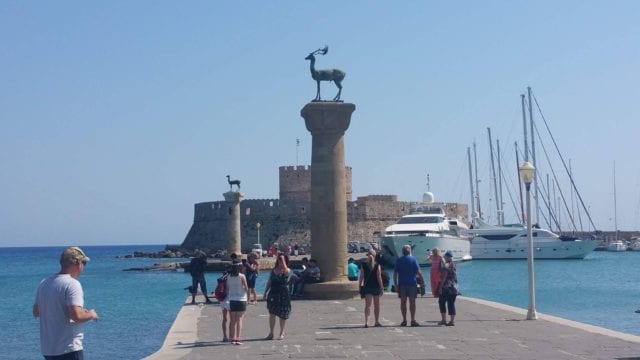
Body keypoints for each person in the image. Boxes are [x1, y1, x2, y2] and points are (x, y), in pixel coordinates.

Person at [33, 246, 99, 360]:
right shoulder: (72, 284)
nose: (83, 267)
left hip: (49, 350)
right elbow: (77, 316)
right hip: (68, 349)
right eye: (84, 263)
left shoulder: (44, 283)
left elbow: (36, 312)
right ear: (78, 263)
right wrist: (91, 314)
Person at [393, 244, 423, 327]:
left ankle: (404, 320)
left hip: (402, 284)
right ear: (410, 251)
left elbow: (395, 273)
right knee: (412, 302)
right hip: (412, 284)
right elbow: (419, 272)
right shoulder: (413, 259)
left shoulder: (399, 260)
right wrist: (422, 283)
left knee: (403, 302)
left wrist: (395, 284)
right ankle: (413, 320)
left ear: (402, 252)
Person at [263, 254, 291, 340]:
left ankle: (282, 332)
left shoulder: (287, 270)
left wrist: (283, 260)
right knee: (272, 313)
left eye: (281, 260)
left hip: (283, 294)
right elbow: (269, 282)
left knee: (283, 314)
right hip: (273, 293)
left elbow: (286, 271)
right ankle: (271, 333)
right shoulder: (273, 271)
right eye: (278, 260)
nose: (280, 261)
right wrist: (265, 292)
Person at [359, 251, 384, 327]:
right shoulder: (377, 265)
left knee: (367, 306)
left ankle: (366, 322)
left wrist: (359, 285)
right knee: (376, 305)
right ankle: (376, 321)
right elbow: (379, 277)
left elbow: (361, 276)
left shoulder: (363, 265)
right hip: (376, 287)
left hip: (367, 287)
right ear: (375, 255)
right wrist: (382, 287)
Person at [227, 261, 249, 345]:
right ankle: (238, 338)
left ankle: (232, 338)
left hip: (232, 300)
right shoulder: (242, 276)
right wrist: (248, 298)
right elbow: (246, 288)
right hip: (241, 299)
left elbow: (227, 289)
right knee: (239, 319)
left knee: (232, 320)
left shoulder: (229, 277)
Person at [437, 251, 459, 326]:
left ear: (447, 257)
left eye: (445, 256)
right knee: (451, 304)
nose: (444, 258)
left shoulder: (446, 265)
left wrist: (440, 287)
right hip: (454, 287)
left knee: (442, 302)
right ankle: (452, 321)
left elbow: (444, 277)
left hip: (446, 287)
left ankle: (444, 320)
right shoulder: (454, 264)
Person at [218, 265, 231, 342]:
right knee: (232, 319)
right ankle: (231, 335)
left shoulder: (221, 279)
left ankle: (225, 336)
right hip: (229, 299)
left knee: (225, 318)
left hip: (222, 300)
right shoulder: (231, 278)